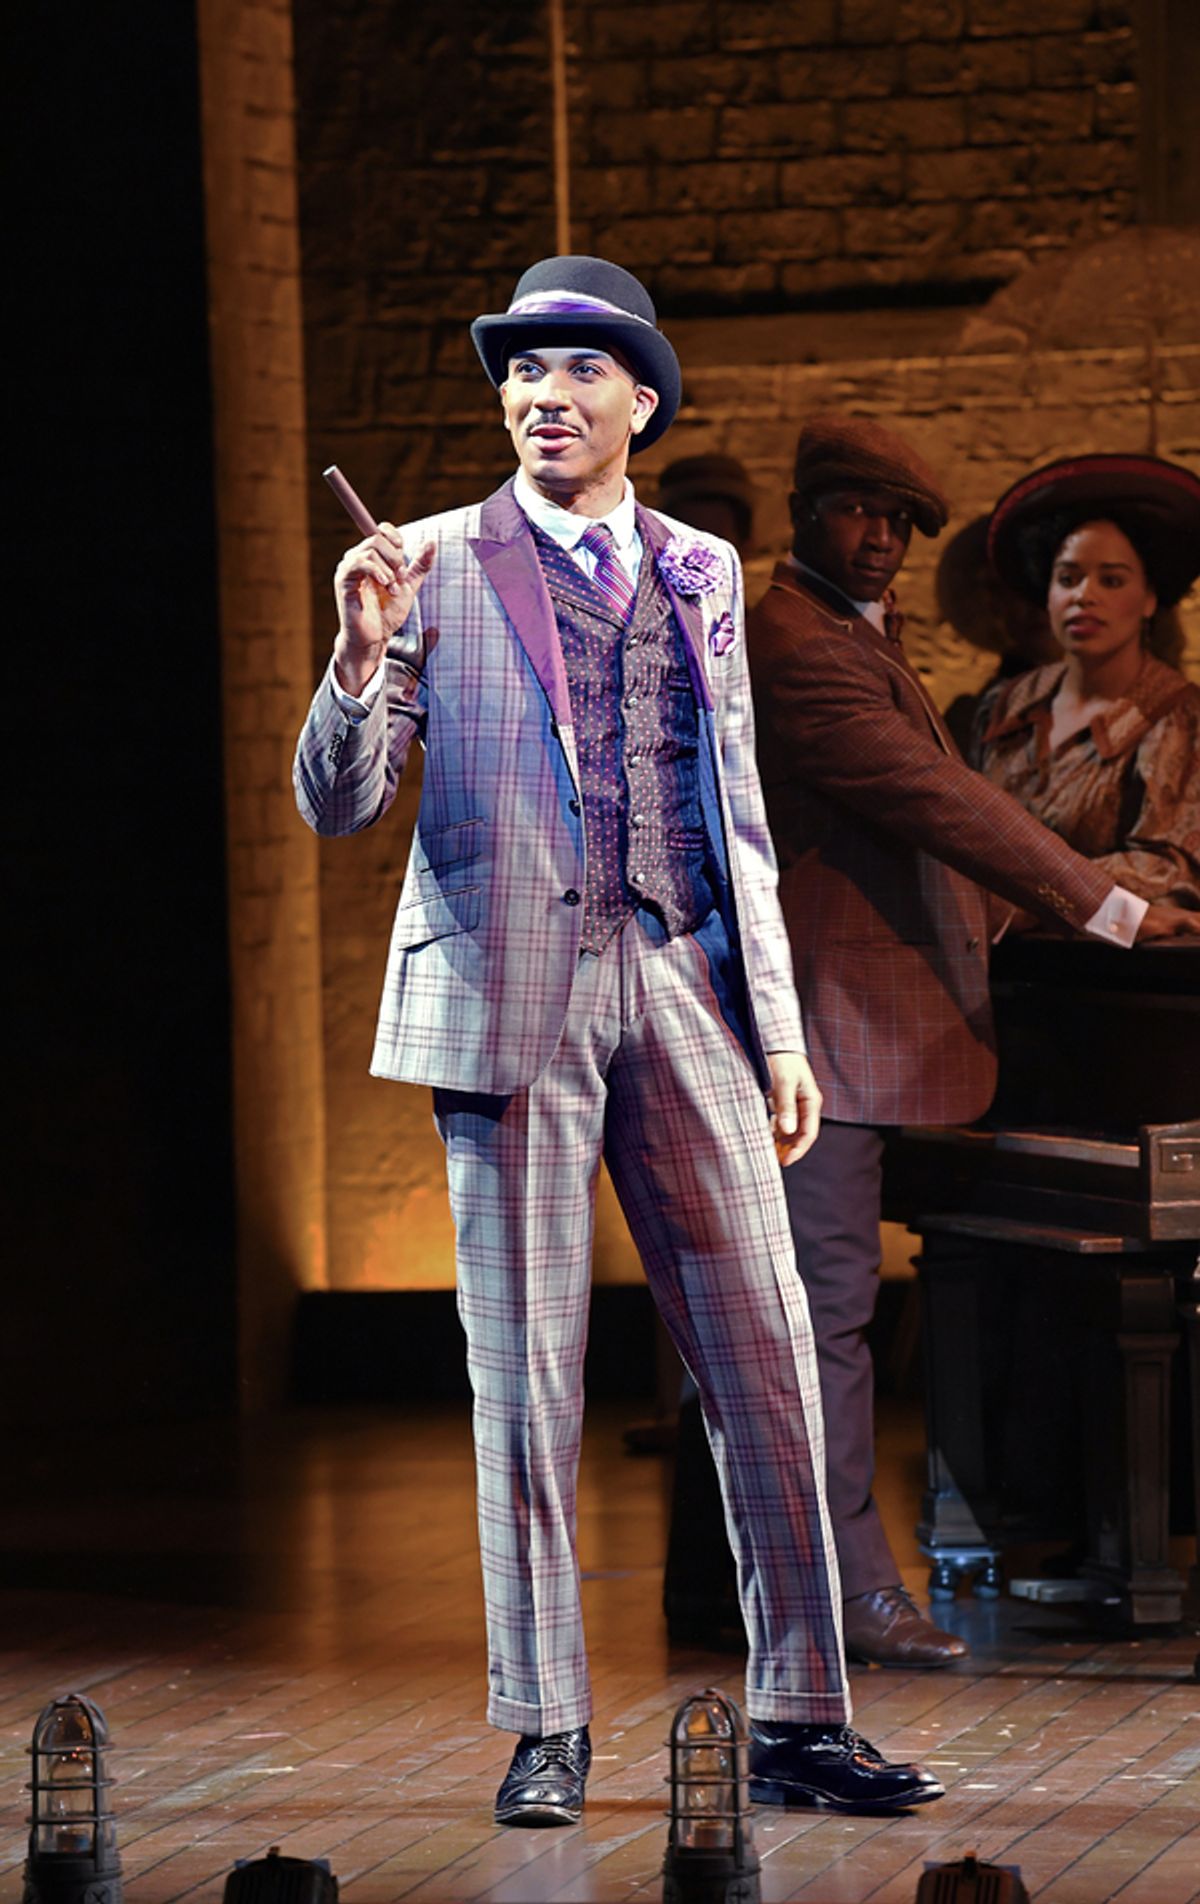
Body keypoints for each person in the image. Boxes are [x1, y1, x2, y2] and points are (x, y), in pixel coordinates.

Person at [293, 262, 943, 1827]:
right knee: (526, 1376)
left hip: (680, 976)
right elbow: (336, 800)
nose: (543, 394)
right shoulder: (429, 561)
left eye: (578, 369)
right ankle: (545, 1724)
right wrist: (361, 653)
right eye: (522, 371)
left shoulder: (705, 570)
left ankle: (798, 1713)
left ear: (639, 400)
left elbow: (737, 813)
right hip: (510, 987)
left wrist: (775, 1025)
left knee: (770, 1352)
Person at [670, 415, 1198, 1677]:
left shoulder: (857, 633)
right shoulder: (797, 642)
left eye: (900, 520)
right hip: (817, 1035)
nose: (881, 538)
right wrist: (1105, 901)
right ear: (806, 512)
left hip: (872, 1034)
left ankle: (747, 1580)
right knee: (820, 1319)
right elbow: (933, 798)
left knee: (810, 1316)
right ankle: (842, 1590)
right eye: (858, 510)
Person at [972, 453, 1200, 910]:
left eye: (1111, 581)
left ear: (1150, 599)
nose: (1084, 596)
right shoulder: (1008, 705)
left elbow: (1169, 870)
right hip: (992, 959)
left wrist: (1025, 894)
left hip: (1112, 972)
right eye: (1068, 578)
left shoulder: (1176, 716)